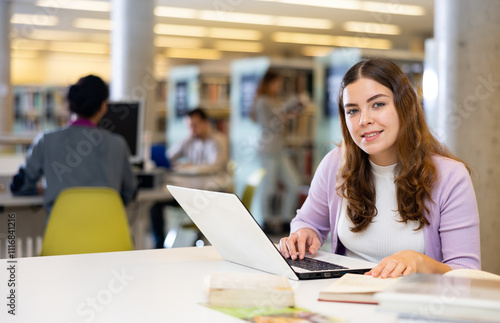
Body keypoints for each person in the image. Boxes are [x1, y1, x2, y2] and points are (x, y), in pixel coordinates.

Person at [278, 58, 480, 278]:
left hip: (412, 306)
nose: (364, 120)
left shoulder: (450, 177)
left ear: (405, 107)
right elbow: (307, 222)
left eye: (378, 104)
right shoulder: (335, 163)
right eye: (353, 111)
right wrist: (304, 233)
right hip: (346, 299)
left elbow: (466, 273)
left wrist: (419, 261)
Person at [10, 75, 137, 213]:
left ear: (70, 104)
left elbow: (20, 186)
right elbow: (130, 192)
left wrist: (45, 189)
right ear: (103, 106)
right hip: (108, 231)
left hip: (62, 232)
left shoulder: (46, 140)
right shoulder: (118, 144)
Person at [150, 107, 229, 248]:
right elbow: (168, 158)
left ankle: (202, 239)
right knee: (155, 204)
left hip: (210, 194)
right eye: (189, 127)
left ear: (206, 123)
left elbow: (216, 166)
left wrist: (189, 166)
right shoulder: (190, 139)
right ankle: (159, 245)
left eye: (195, 126)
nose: (192, 130)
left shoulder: (218, 140)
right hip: (190, 192)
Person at [251, 69, 305, 233]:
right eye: (277, 84)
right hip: (268, 150)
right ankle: (266, 221)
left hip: (280, 149)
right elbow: (271, 125)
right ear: (268, 84)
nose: (279, 87)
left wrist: (288, 115)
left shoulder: (275, 101)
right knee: (269, 187)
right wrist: (285, 113)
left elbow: (279, 120)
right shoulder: (262, 101)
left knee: (294, 184)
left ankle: (285, 219)